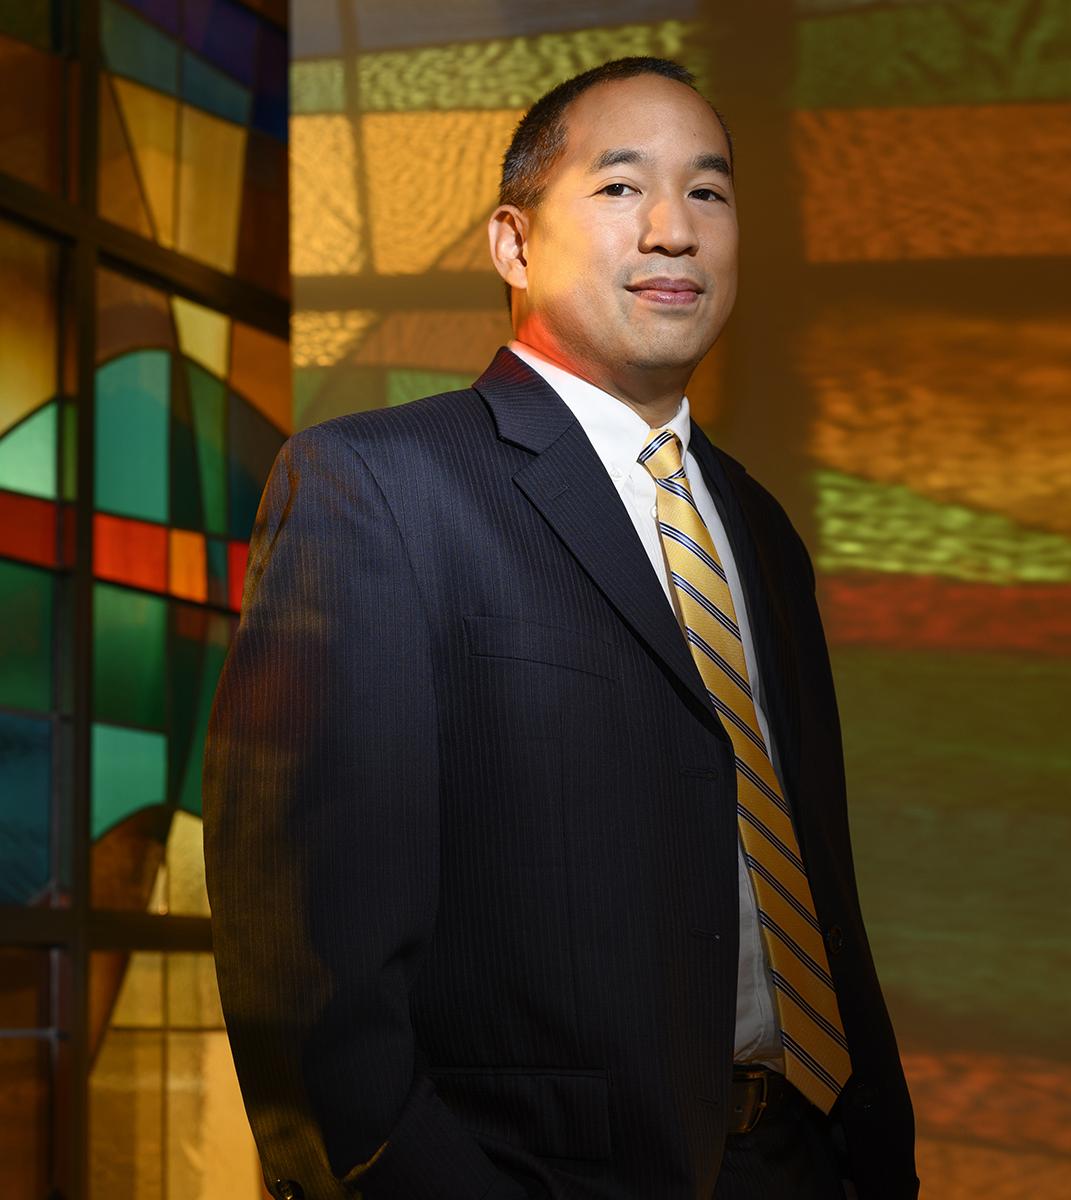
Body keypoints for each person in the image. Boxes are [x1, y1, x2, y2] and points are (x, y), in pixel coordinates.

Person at [203, 57, 917, 1200]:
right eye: (622, 188)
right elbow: (307, 965)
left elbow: (813, 886)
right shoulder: (379, 488)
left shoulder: (763, 536)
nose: (675, 231)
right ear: (514, 244)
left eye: (711, 192)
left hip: (801, 1159)